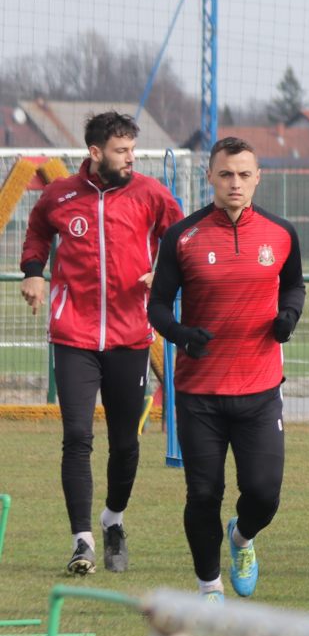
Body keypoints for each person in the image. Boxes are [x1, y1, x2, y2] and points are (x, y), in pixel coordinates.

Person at [20, 109, 181, 575]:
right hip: (73, 335)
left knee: (125, 443)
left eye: (133, 149)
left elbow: (181, 240)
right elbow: (36, 232)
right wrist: (33, 272)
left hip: (130, 337)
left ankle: (113, 521)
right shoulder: (60, 194)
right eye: (121, 151)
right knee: (76, 436)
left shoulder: (150, 193)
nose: (130, 158)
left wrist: (163, 274)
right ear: (95, 153)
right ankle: (82, 541)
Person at [148, 138, 304, 601]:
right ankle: (208, 587)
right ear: (210, 178)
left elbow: (293, 285)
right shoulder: (183, 236)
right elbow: (157, 305)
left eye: (243, 174)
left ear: (258, 178)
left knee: (264, 494)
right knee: (203, 494)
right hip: (200, 393)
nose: (235, 183)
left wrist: (288, 317)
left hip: (260, 390)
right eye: (225, 174)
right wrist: (179, 334)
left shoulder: (281, 233)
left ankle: (241, 538)